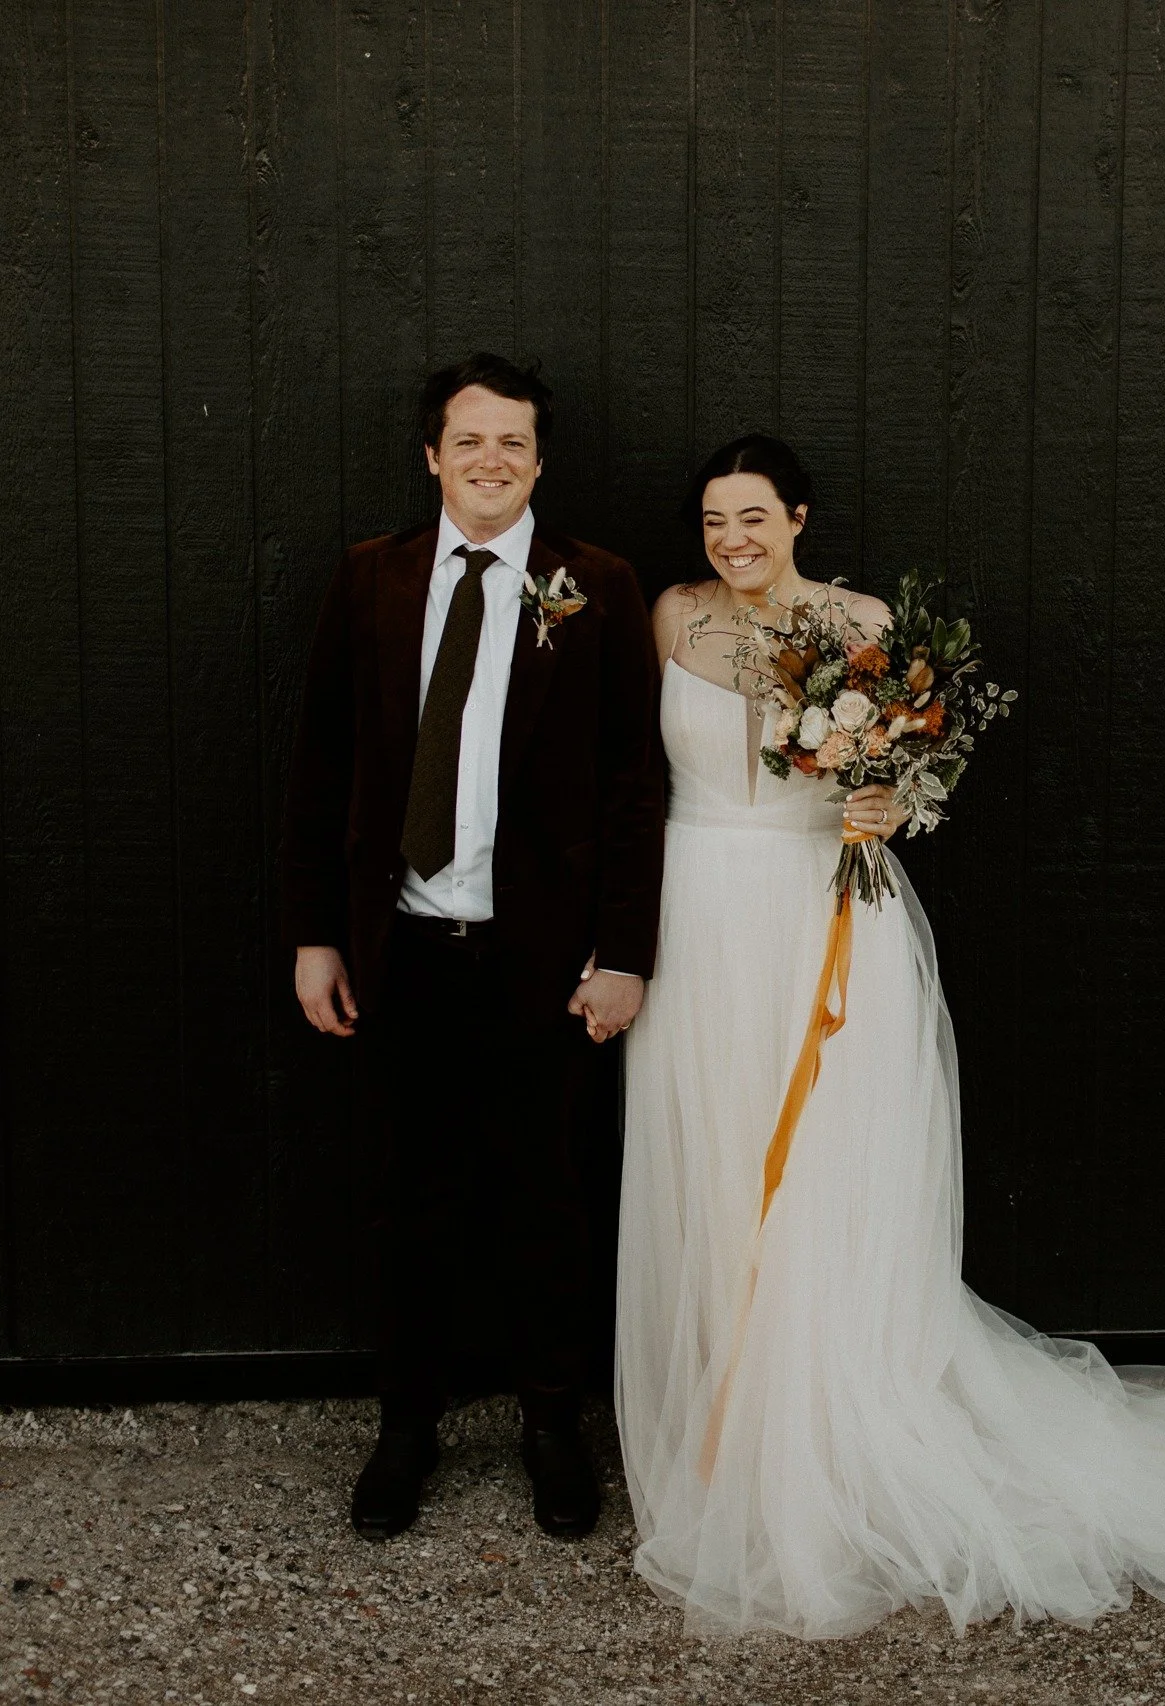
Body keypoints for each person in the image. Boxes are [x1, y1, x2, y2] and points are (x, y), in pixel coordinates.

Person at [614, 432, 1165, 1638]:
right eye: (712, 520)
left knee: (825, 1178)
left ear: (798, 516)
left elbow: (905, 779)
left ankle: (823, 1430)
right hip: (697, 921)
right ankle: (721, 1412)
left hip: (818, 918)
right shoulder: (670, 615)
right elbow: (630, 772)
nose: (732, 540)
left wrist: (888, 795)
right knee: (715, 1160)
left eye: (754, 517)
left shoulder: (861, 622)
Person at [281, 353, 664, 1541]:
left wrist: (623, 952)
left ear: (539, 460)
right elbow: (322, 765)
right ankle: (407, 1427)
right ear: (433, 453)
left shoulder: (592, 583)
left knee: (547, 1198)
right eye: (470, 440)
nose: (490, 460)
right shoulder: (371, 577)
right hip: (403, 945)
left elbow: (631, 785)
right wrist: (314, 935)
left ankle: (555, 1424)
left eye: (514, 443)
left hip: (541, 963)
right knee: (411, 1201)